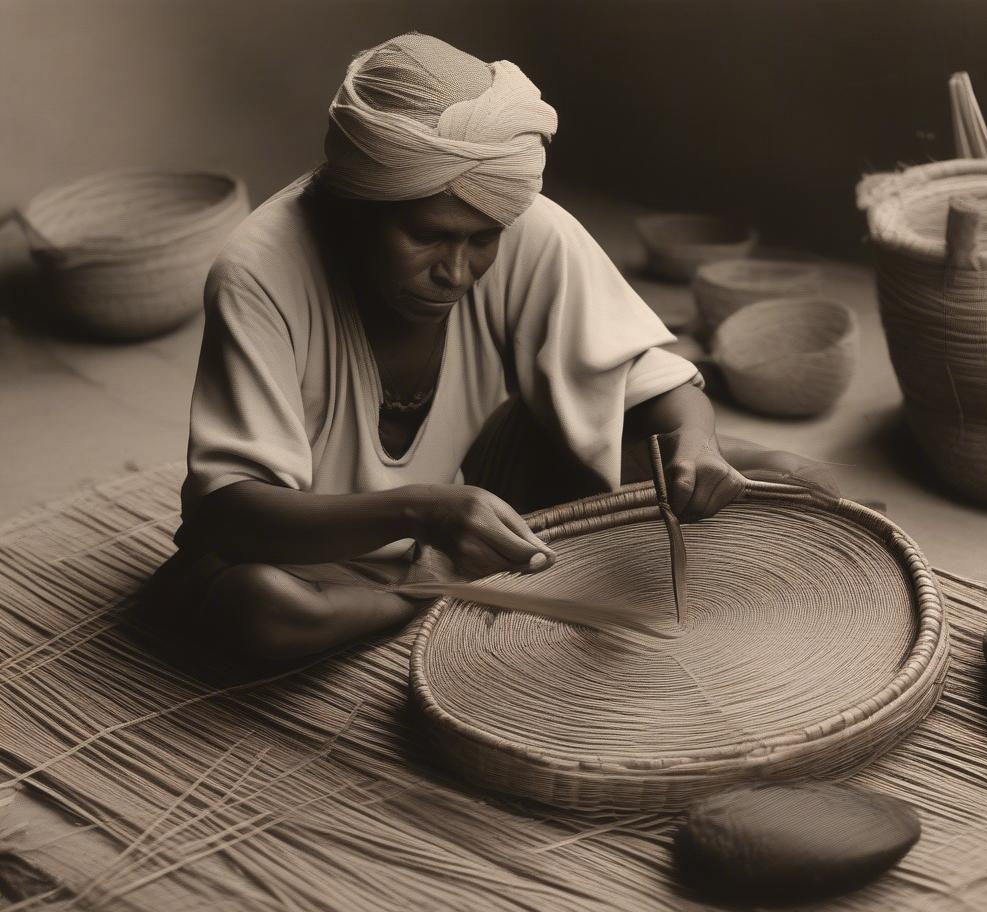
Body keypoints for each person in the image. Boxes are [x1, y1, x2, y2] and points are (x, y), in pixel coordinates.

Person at [147, 32, 752, 664]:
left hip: (470, 501)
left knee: (713, 466)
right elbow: (228, 510)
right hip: (318, 553)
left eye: (481, 242)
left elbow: (645, 380)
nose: (457, 272)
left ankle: (435, 577)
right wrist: (421, 511)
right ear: (353, 209)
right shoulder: (260, 271)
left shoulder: (522, 223)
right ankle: (419, 597)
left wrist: (698, 444)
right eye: (427, 237)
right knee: (259, 610)